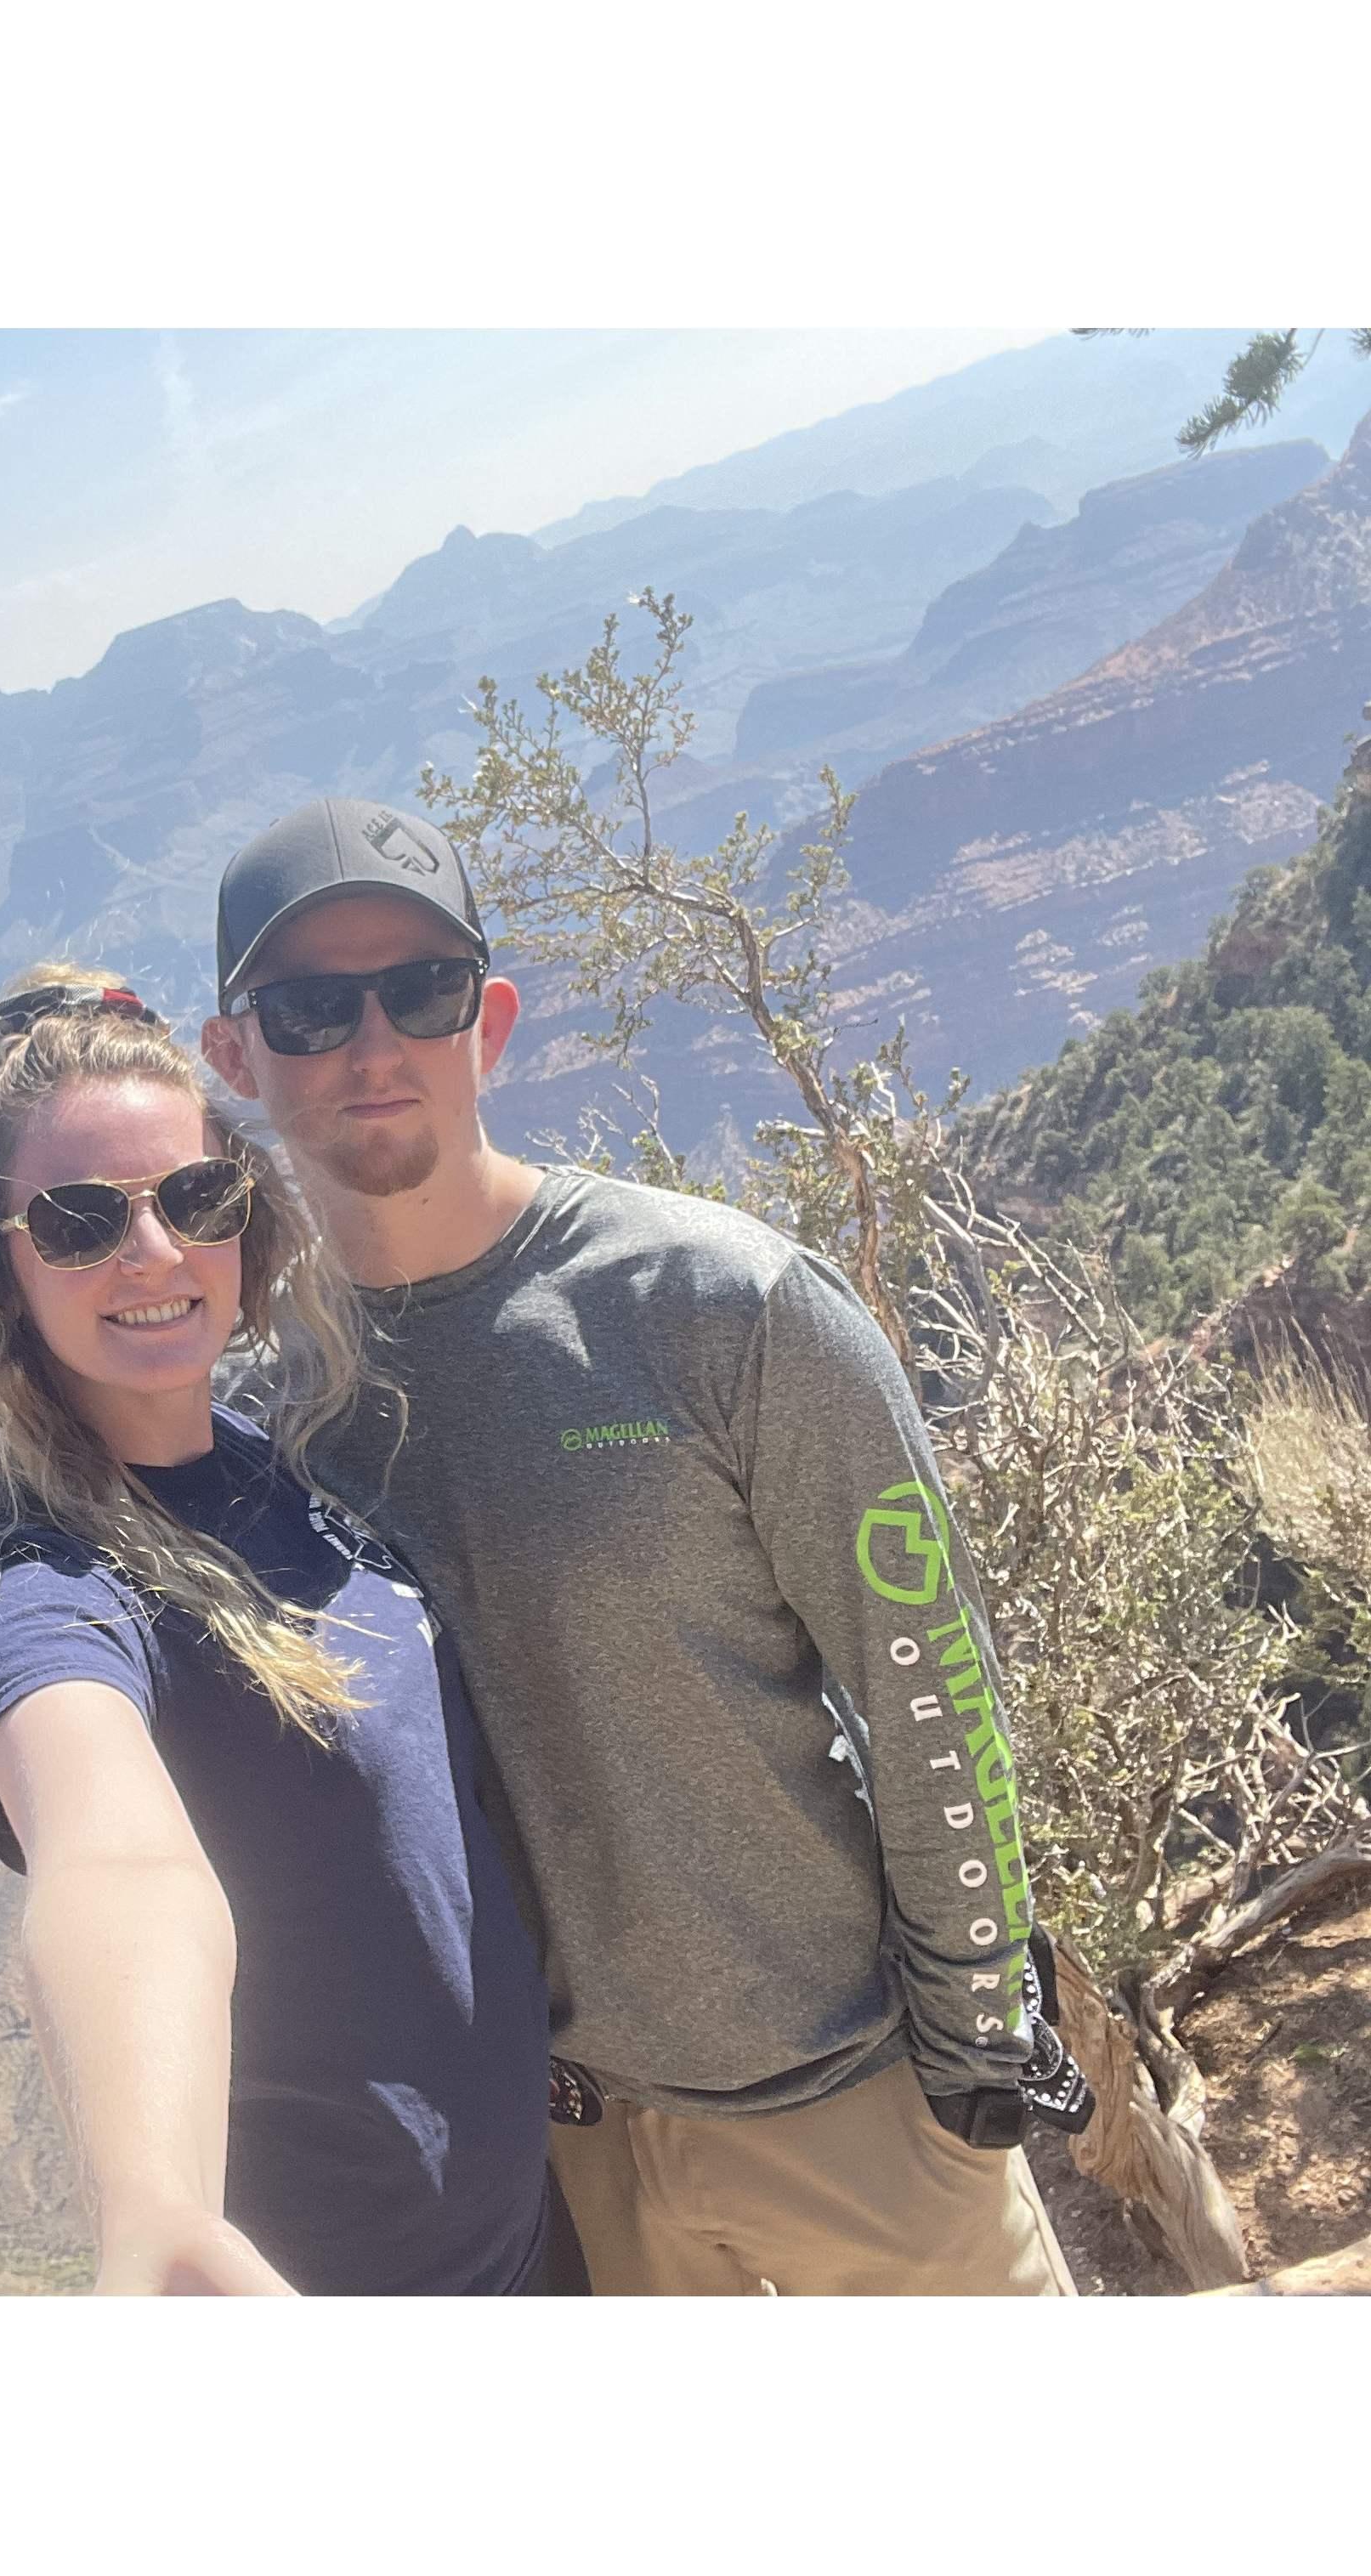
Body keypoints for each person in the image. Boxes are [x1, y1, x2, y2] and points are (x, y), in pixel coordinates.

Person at [199, 796, 1076, 2296]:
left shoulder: (724, 1306)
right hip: (562, 2169)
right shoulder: (263, 1416)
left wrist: (981, 2031)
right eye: (309, 1008)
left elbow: (932, 1681)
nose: (372, 1043)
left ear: (490, 1024)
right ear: (236, 1056)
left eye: (421, 990)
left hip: (858, 2114)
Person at [0, 964, 556, 2295]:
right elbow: (118, 1867)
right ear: (2, 1272)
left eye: (195, 1198)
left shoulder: (269, 1460)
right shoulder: (35, 1584)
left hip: (539, 2247)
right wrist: (155, 2211)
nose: (152, 1252)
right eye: (81, 1222)